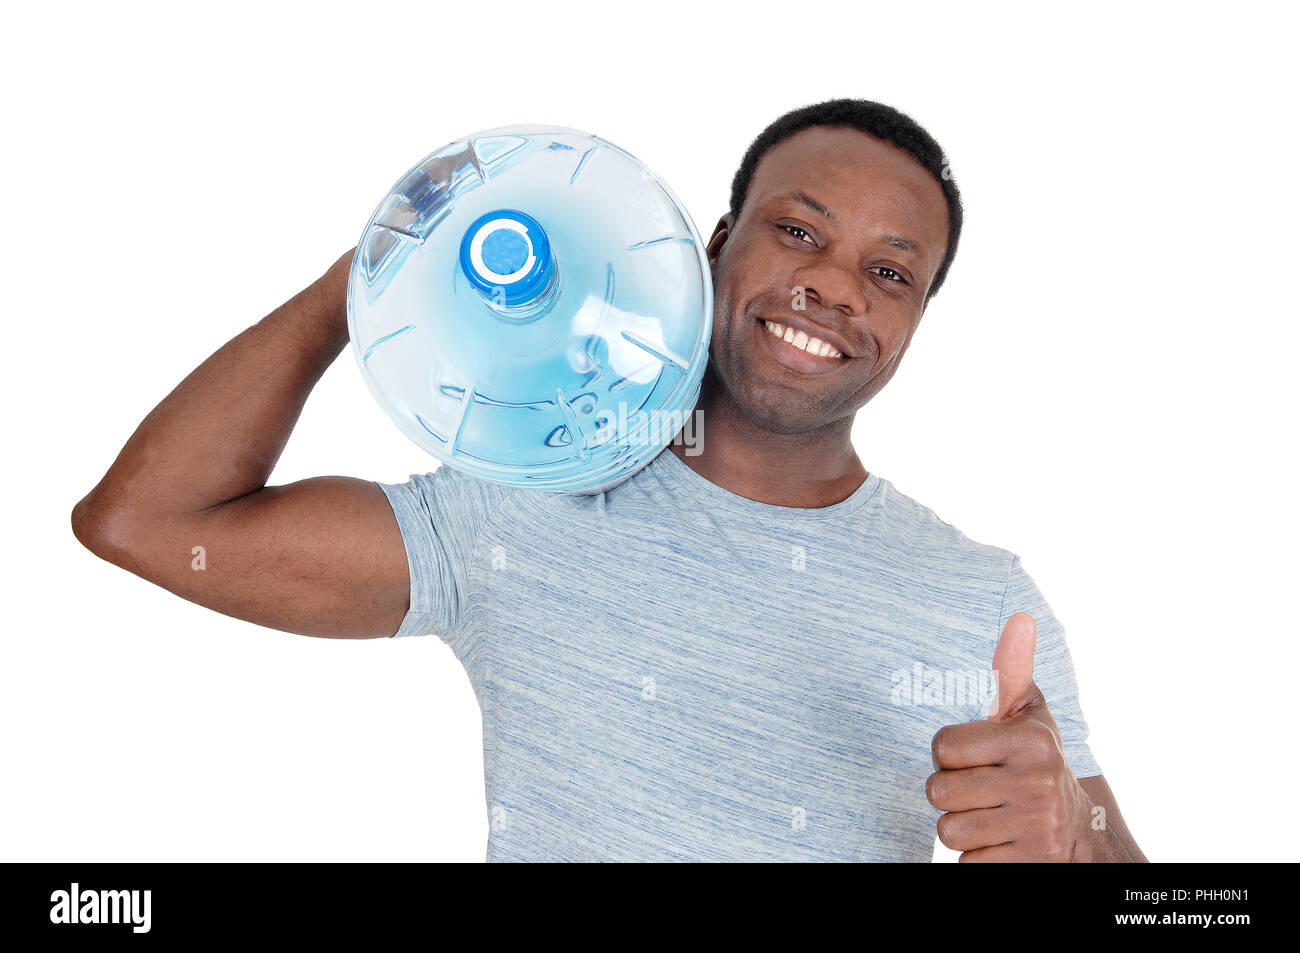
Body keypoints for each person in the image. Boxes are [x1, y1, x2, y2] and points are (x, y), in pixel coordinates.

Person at [72, 98, 1145, 863]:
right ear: (714, 244)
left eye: (889, 271)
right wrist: (375, 268)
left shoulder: (978, 600)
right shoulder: (524, 503)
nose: (828, 283)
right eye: (797, 229)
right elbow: (149, 522)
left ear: (912, 323)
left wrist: (1074, 834)